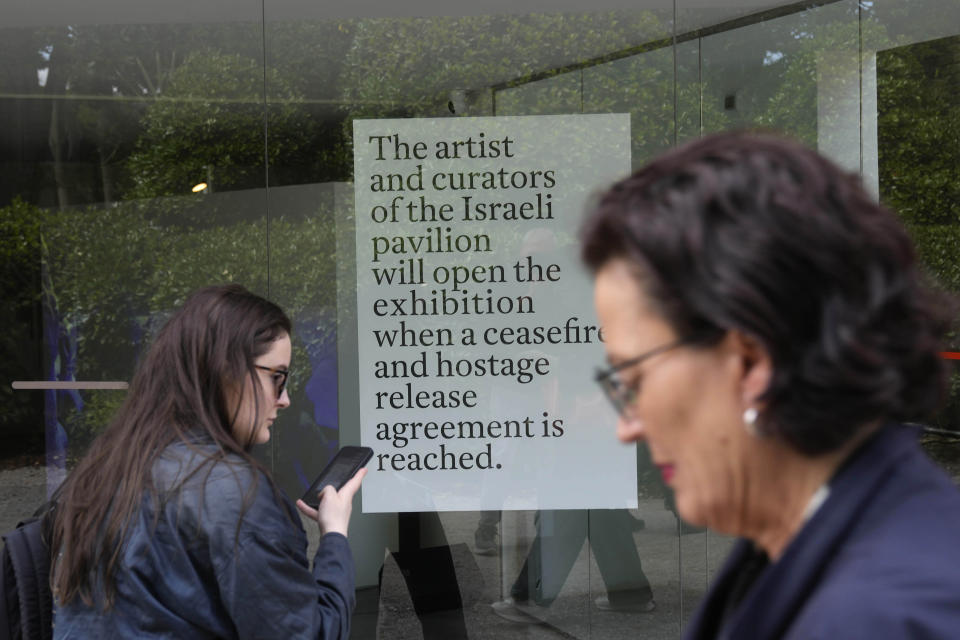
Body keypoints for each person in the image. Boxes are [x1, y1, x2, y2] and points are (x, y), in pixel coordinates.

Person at [580, 131, 960, 639]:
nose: (628, 427)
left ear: (752, 362)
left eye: (635, 377)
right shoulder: (808, 538)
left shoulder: (883, 617)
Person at [50, 285, 365, 639]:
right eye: (277, 378)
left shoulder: (109, 466)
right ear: (224, 370)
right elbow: (309, 634)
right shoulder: (233, 493)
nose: (286, 399)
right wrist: (335, 534)